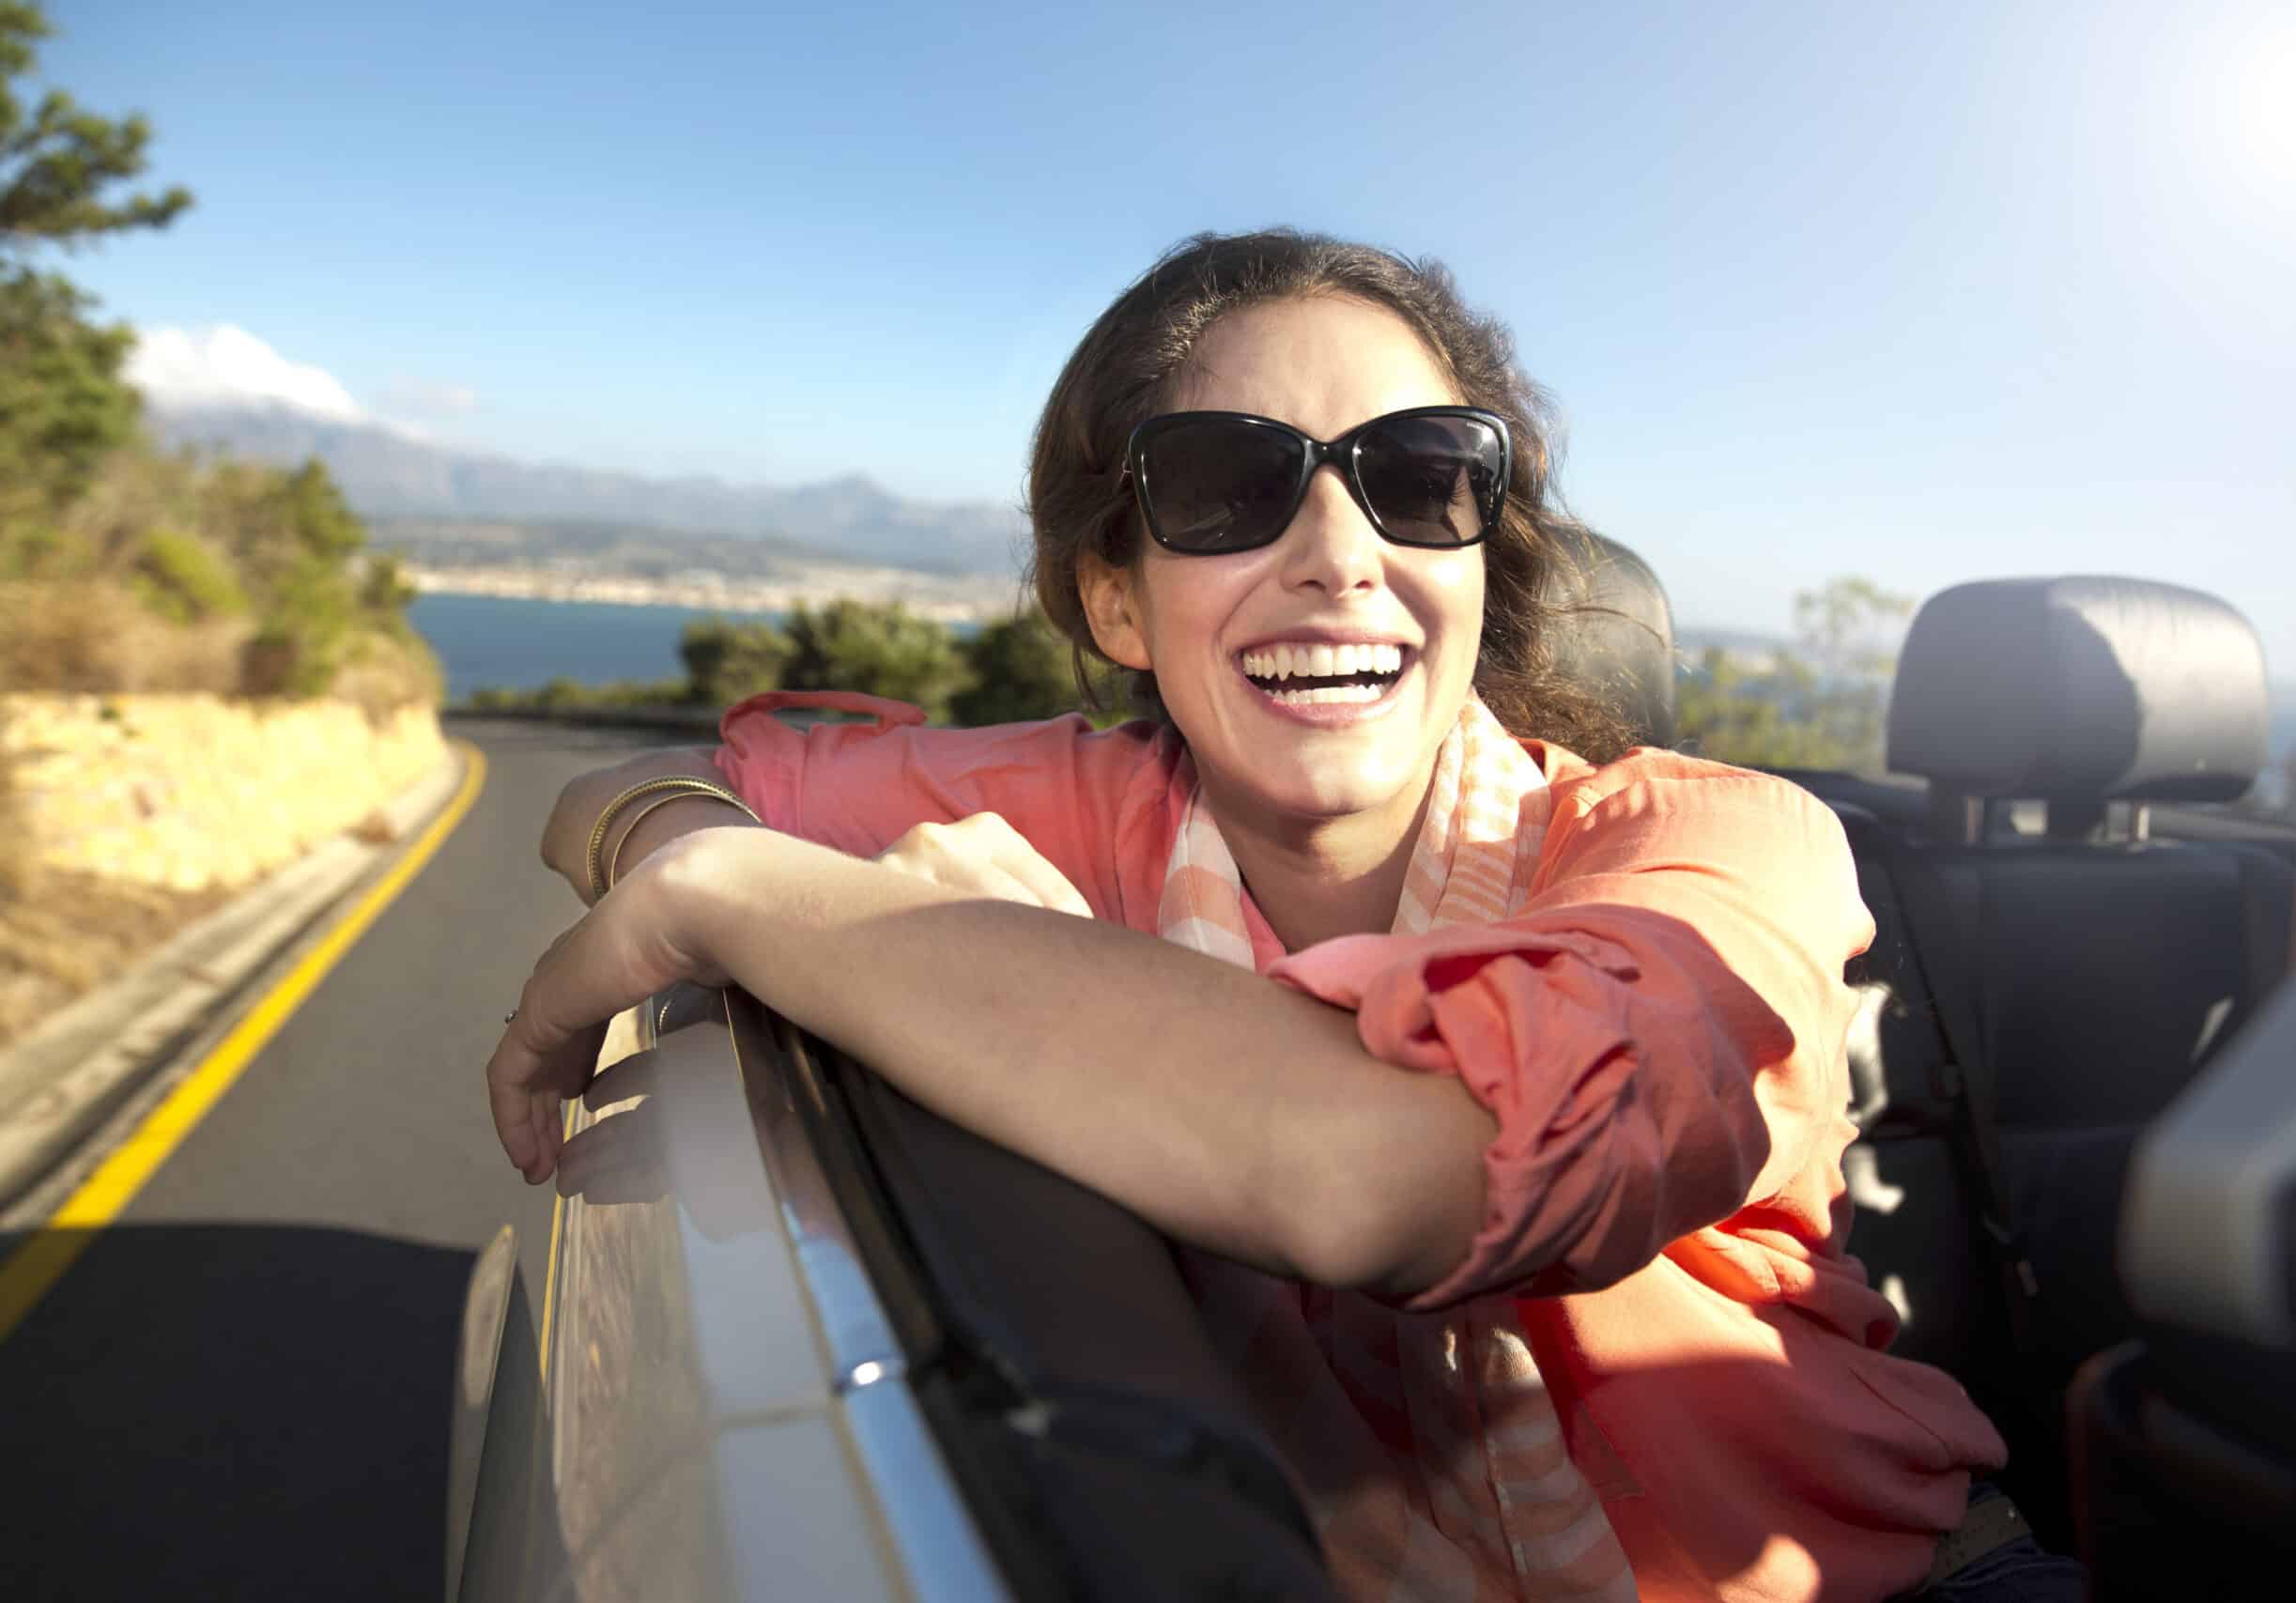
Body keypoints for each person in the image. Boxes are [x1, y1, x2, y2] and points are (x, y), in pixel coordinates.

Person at [485, 230, 2079, 1601]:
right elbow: (659, 776)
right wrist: (677, 836)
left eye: (1420, 478)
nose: (1337, 554)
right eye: (1227, 486)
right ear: (1117, 597)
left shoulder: (1718, 853)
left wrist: (751, 901)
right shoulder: (1089, 803)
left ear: (1479, 553)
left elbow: (1398, 1167)